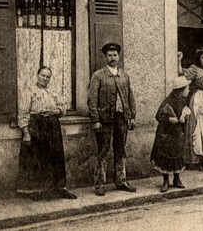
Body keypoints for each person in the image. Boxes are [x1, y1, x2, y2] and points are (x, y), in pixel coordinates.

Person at [17, 66, 78, 200]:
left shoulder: (53, 92)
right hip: (37, 126)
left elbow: (63, 108)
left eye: (48, 76)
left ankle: (60, 187)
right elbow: (23, 113)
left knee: (57, 155)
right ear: (37, 75)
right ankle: (39, 191)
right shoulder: (29, 91)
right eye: (43, 75)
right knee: (39, 157)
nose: (45, 78)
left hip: (53, 125)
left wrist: (54, 112)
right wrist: (26, 133)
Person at [88, 42, 137, 196]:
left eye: (115, 55)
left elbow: (130, 97)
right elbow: (92, 99)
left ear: (119, 56)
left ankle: (121, 180)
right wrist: (95, 119)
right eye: (109, 55)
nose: (112, 58)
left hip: (121, 118)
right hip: (104, 120)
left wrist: (132, 116)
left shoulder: (124, 75)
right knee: (103, 150)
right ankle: (99, 184)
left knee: (121, 149)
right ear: (105, 57)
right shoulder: (98, 76)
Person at [151, 76, 191, 192]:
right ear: (181, 89)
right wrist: (169, 119)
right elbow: (158, 116)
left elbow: (185, 113)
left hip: (177, 133)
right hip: (166, 134)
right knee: (166, 156)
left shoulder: (183, 101)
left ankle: (177, 179)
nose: (188, 91)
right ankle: (165, 181)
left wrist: (184, 118)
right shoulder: (168, 101)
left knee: (177, 155)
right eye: (186, 89)